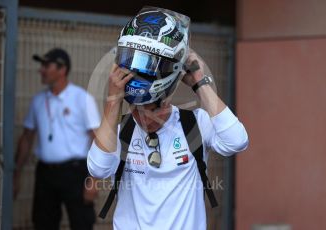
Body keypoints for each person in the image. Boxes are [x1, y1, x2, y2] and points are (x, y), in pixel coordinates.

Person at [87, 7, 249, 230]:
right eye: (137, 108)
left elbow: (237, 140)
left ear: (168, 99)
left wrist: (200, 83)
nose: (145, 116)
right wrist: (113, 101)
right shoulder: (121, 131)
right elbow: (97, 169)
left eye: (154, 107)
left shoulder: (195, 124)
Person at [14, 48, 100, 230]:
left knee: (82, 223)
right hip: (46, 173)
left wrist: (93, 180)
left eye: (46, 65)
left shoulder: (81, 98)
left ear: (62, 69)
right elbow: (27, 138)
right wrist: (16, 174)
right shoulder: (38, 100)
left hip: (75, 173)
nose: (41, 70)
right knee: (43, 223)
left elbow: (97, 138)